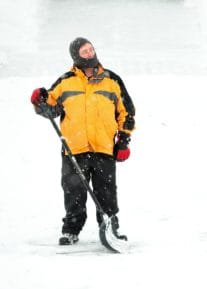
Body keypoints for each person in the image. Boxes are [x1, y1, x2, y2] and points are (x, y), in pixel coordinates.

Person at [30, 37, 135, 245]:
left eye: (91, 49)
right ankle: (71, 230)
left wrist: (123, 141)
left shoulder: (111, 80)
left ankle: (110, 229)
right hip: (74, 148)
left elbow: (127, 113)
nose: (90, 53)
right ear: (76, 56)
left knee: (106, 191)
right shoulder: (66, 81)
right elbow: (50, 107)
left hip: (103, 147)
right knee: (73, 191)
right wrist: (39, 99)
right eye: (84, 51)